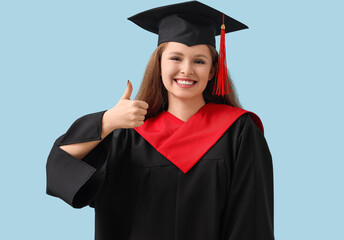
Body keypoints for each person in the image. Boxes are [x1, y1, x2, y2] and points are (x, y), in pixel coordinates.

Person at [46, 1, 274, 240]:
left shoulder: (238, 132)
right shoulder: (127, 132)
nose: (186, 70)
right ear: (159, 64)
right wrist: (107, 122)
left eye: (199, 61)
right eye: (175, 58)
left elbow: (252, 222)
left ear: (213, 71)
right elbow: (57, 170)